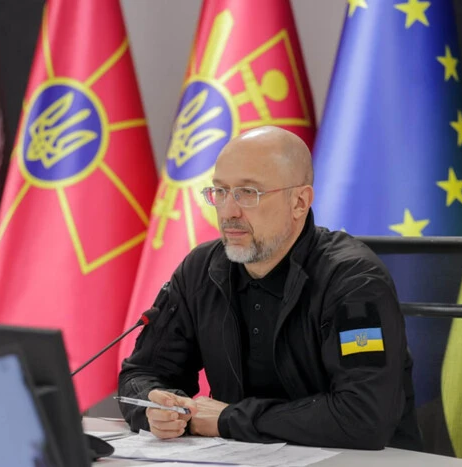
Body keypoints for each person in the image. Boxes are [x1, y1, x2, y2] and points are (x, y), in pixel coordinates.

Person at [118, 126, 422, 450]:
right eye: (220, 191)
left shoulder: (353, 280)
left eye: (248, 193)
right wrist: (157, 407)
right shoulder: (201, 270)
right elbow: (141, 373)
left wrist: (229, 419)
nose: (229, 211)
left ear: (299, 202)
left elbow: (364, 417)